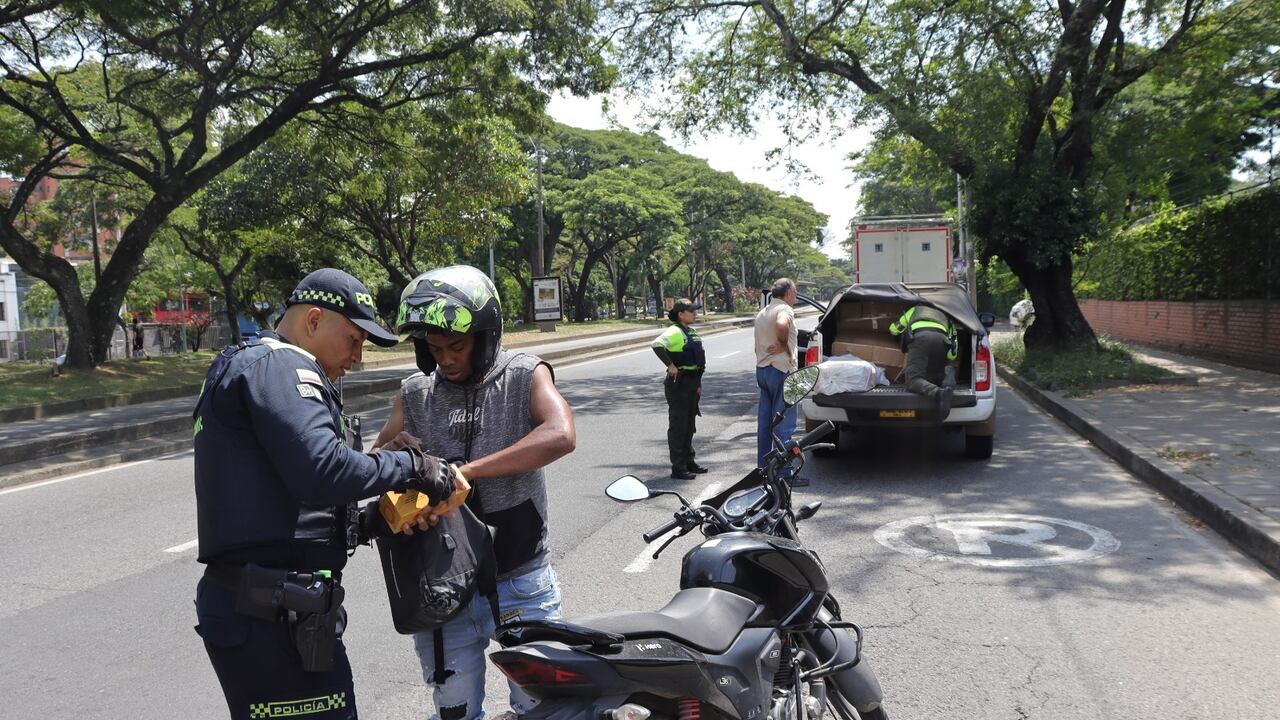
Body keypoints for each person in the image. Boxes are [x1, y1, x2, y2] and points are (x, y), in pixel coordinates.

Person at [192, 268, 467, 720]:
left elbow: (280, 504)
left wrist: (368, 522)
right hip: (271, 617)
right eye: (355, 339)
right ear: (315, 321)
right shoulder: (283, 365)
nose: (357, 358)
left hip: (268, 608)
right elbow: (321, 470)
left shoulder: (247, 362)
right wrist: (413, 468)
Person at [372, 265, 576, 720]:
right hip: (442, 584)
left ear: (485, 337)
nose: (445, 358)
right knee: (454, 711)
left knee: (542, 709)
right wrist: (394, 452)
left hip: (520, 577)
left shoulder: (524, 374)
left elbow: (561, 433)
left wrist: (467, 472)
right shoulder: (416, 392)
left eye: (457, 346)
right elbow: (374, 460)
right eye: (434, 348)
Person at [651, 298, 707, 480]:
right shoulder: (675, 331)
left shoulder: (691, 331)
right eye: (691, 311)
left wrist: (698, 384)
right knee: (679, 426)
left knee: (690, 425)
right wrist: (670, 365)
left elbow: (698, 361)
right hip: (679, 383)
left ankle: (689, 461)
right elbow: (657, 345)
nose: (695, 313)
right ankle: (678, 467)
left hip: (692, 382)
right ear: (681, 314)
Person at [754, 278, 798, 467]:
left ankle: (764, 470)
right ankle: (783, 473)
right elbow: (782, 325)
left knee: (765, 426)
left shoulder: (763, 312)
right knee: (783, 425)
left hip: (763, 372)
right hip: (781, 371)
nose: (795, 296)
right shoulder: (784, 310)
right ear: (788, 293)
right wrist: (783, 344)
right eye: (794, 292)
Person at [889, 304, 958, 418]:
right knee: (931, 377)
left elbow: (894, 329)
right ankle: (947, 373)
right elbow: (952, 355)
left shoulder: (914, 310)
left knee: (912, 380)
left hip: (921, 338)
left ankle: (939, 393)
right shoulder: (946, 315)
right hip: (942, 341)